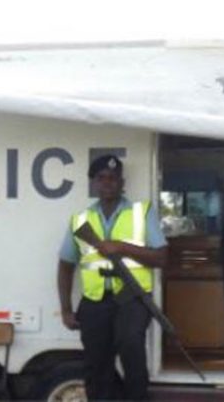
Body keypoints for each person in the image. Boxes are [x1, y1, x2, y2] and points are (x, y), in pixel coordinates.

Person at [57, 154, 167, 400]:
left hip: (133, 298)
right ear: (94, 183)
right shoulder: (80, 220)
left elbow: (161, 258)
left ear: (122, 182)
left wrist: (121, 247)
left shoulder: (142, 212)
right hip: (95, 301)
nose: (107, 183)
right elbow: (65, 265)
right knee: (96, 365)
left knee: (131, 348)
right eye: (101, 178)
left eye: (113, 178)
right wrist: (66, 308)